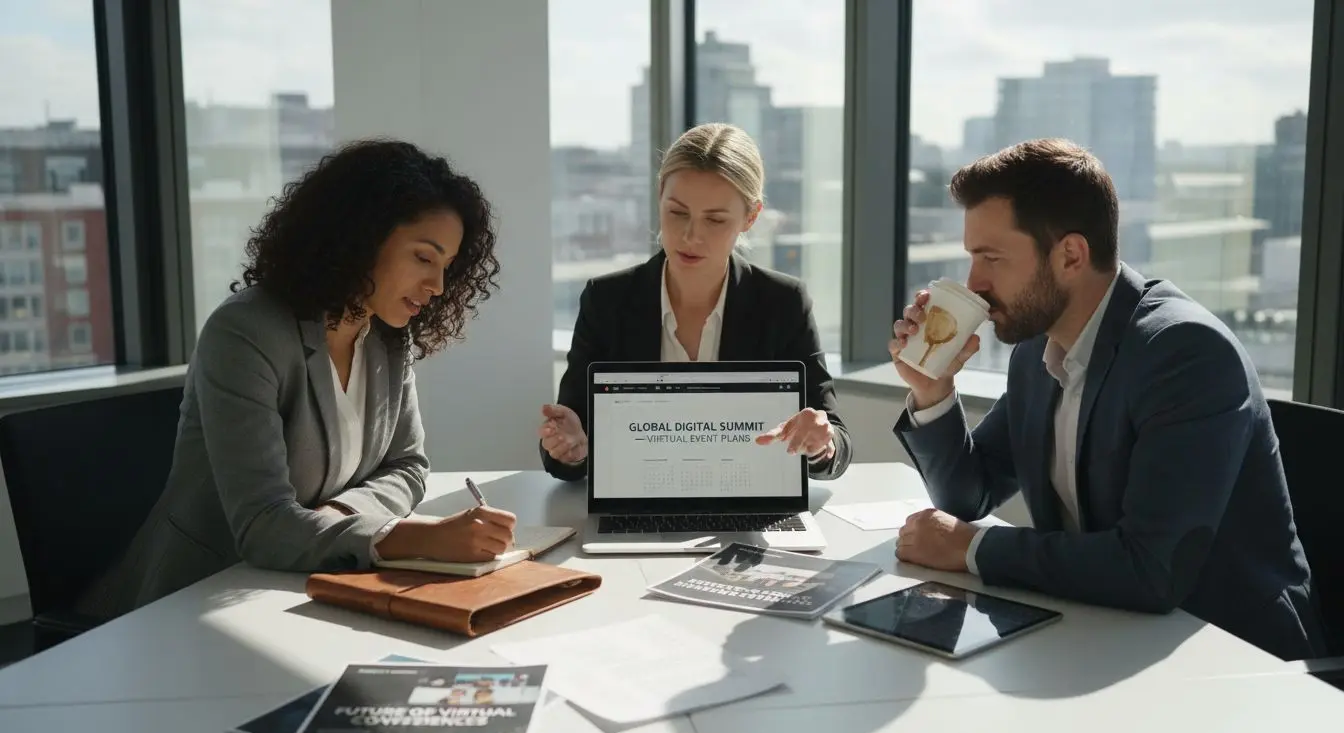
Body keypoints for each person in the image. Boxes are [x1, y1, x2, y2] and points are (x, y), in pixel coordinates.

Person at [888, 138, 1322, 661]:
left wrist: (972, 547)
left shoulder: (1185, 354)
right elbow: (968, 495)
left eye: (991, 258)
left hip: (1227, 655)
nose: (974, 283)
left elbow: (1149, 567)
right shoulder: (1037, 351)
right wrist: (932, 390)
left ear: (1070, 254)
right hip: (1100, 632)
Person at [77, 139, 517, 620]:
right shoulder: (246, 331)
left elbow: (408, 466)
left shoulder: (388, 338)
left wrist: (342, 517)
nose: (437, 287)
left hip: (309, 589)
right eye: (423, 258)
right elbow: (263, 525)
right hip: (202, 600)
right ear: (362, 237)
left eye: (447, 267)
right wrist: (409, 537)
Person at [539, 123, 852, 481]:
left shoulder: (783, 303)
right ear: (660, 197)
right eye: (677, 212)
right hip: (637, 501)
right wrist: (574, 449)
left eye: (715, 220)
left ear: (750, 217)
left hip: (745, 503)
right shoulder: (607, 300)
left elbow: (837, 439)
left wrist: (820, 444)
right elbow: (569, 437)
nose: (691, 236)